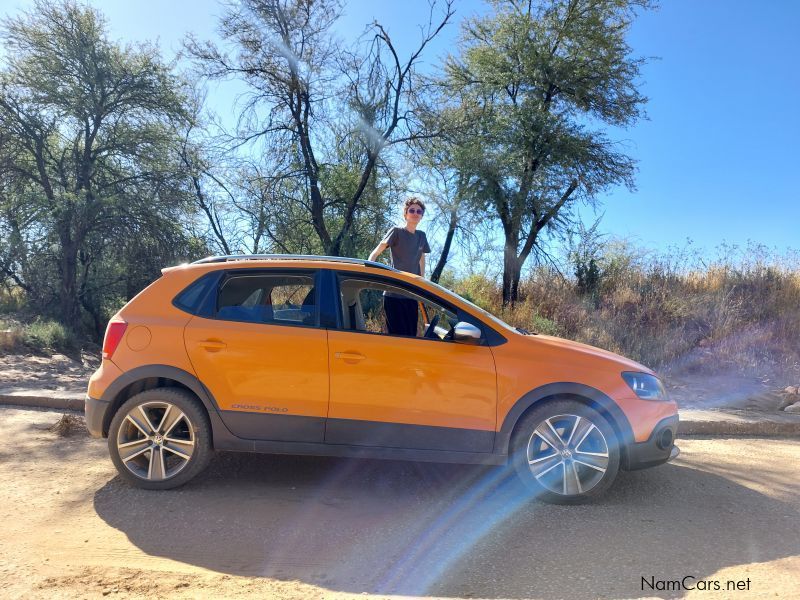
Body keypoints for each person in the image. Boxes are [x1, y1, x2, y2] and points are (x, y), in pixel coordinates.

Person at [368, 197, 431, 336]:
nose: (415, 213)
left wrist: (423, 281)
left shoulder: (421, 236)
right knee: (396, 336)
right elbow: (377, 251)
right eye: (412, 210)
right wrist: (369, 269)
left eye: (419, 211)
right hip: (393, 293)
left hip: (411, 293)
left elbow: (421, 259)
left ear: (421, 216)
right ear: (406, 214)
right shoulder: (396, 232)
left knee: (410, 335)